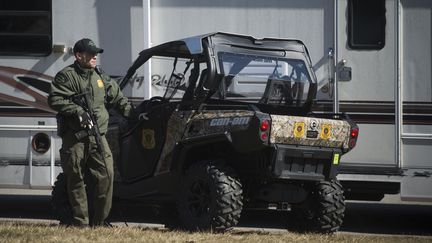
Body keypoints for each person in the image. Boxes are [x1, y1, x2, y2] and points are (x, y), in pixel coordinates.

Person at [48, 38, 134, 227]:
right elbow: (54, 99)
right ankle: (81, 223)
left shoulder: (100, 76)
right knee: (75, 178)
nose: (95, 56)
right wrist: (77, 111)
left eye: (96, 53)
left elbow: (119, 99)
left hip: (98, 136)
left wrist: (134, 115)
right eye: (91, 53)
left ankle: (99, 222)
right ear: (79, 56)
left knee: (107, 175)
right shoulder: (67, 76)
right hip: (75, 138)